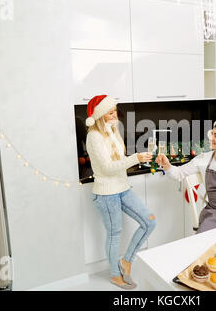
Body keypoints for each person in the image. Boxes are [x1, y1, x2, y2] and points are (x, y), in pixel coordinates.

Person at [85, 94, 156, 290]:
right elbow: (108, 167)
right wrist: (136, 158)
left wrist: (137, 158)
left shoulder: (113, 131)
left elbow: (119, 160)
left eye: (115, 111)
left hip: (122, 188)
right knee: (115, 233)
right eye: (110, 112)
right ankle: (115, 276)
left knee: (149, 221)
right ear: (100, 115)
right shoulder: (94, 136)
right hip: (106, 193)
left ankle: (126, 261)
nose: (115, 115)